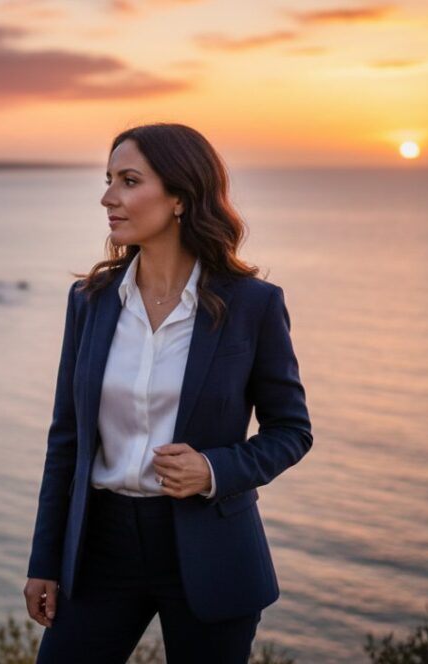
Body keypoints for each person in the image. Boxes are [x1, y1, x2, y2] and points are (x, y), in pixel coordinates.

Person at [23, 123, 313, 663]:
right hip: (100, 549)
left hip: (210, 552)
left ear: (180, 197)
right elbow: (66, 440)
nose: (108, 198)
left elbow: (291, 431)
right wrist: (45, 559)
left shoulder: (252, 305)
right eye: (109, 180)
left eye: (129, 181)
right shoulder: (90, 301)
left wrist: (213, 469)